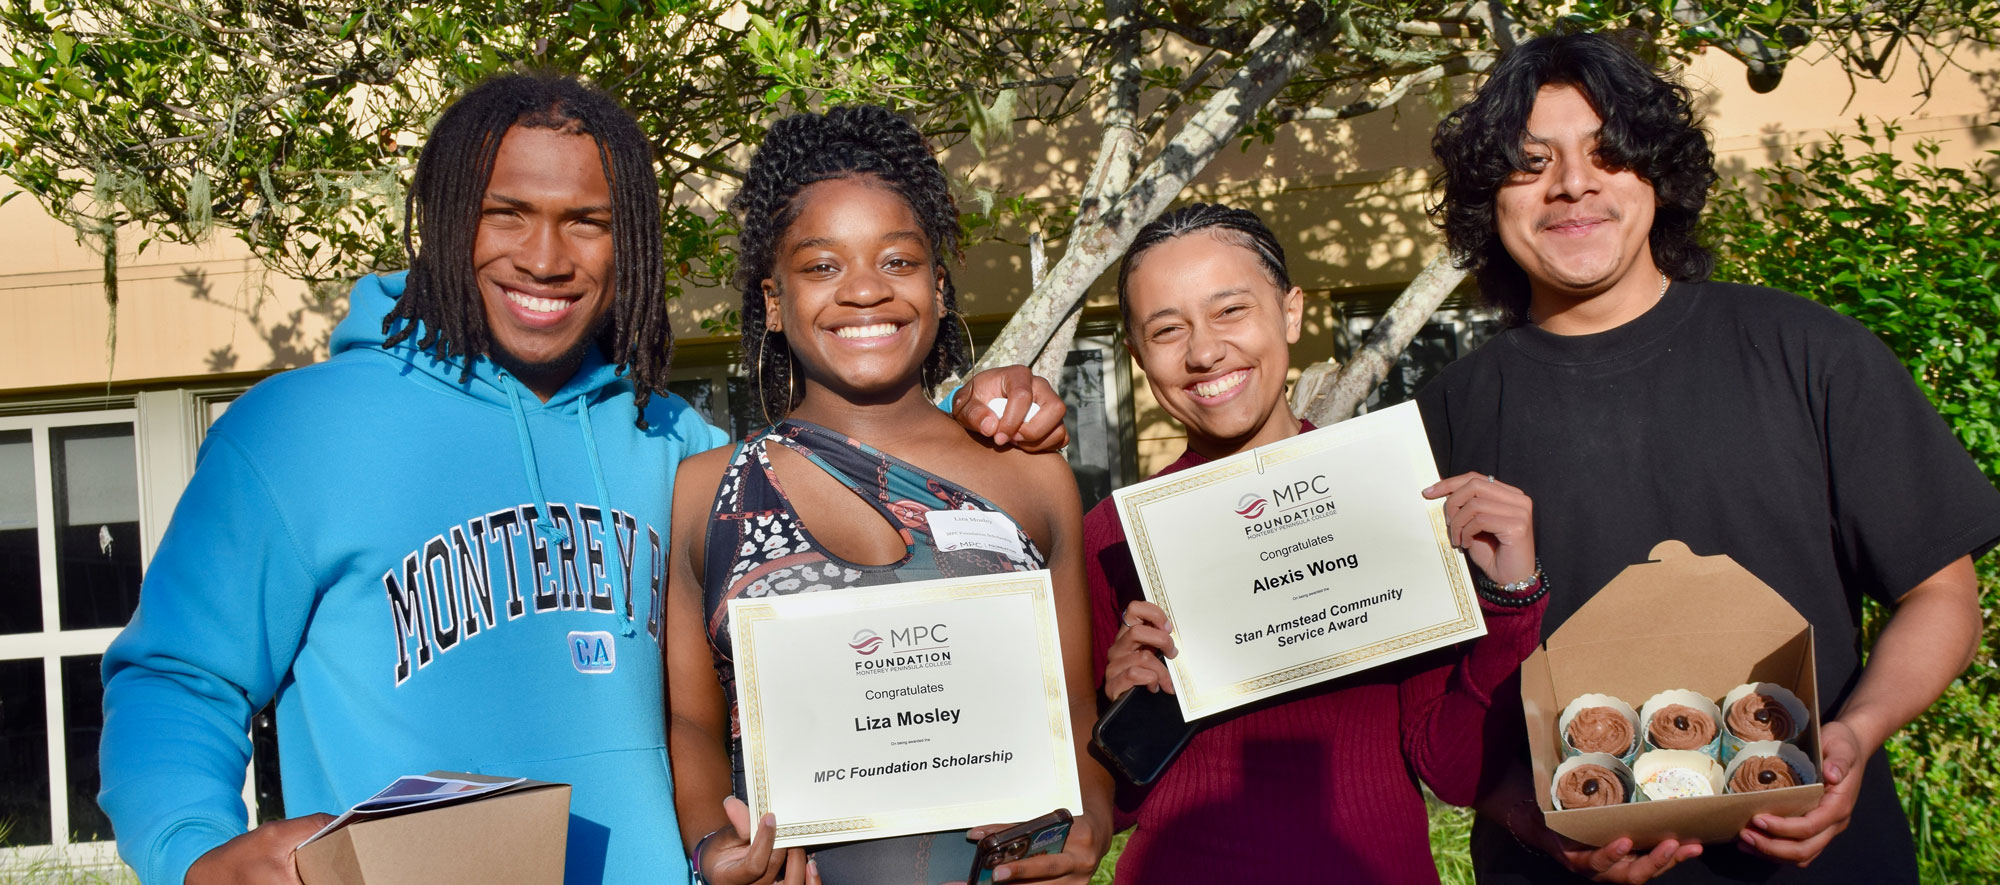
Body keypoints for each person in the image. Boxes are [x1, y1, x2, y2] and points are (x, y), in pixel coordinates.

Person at [98, 75, 1069, 885]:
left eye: (588, 223)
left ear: (631, 241)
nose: (546, 258)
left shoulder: (677, 448)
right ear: (442, 221)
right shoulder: (300, 431)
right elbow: (178, 678)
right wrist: (195, 853)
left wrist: (982, 411)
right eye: (505, 215)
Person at [1422, 31, 2000, 884]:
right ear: (1487, 201)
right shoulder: (1442, 418)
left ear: (1658, 174)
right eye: (1529, 162)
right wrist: (1524, 813)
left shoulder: (1810, 352)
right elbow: (1422, 700)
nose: (1572, 183)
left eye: (1608, 152)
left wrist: (1856, 733)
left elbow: (1942, 595)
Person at [664, 105, 1114, 885]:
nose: (865, 290)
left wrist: (1095, 816)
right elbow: (691, 722)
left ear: (938, 288)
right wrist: (712, 847)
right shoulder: (706, 491)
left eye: (898, 262)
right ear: (773, 301)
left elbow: (1076, 703)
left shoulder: (1028, 472)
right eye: (822, 266)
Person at [1086, 203, 1550, 884]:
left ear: (1291, 313)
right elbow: (1113, 807)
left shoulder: (1389, 491)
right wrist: (1123, 704)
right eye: (1166, 329)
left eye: (1230, 311)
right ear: (1136, 354)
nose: (1205, 351)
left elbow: (1453, 770)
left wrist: (1511, 600)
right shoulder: (1115, 534)